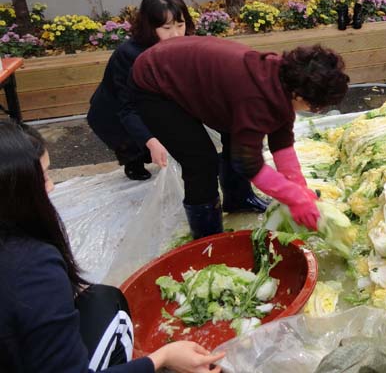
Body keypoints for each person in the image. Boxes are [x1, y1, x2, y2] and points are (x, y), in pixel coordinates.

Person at [0, 121, 225, 372]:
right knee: (112, 313)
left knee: (101, 299)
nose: (52, 187)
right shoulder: (32, 265)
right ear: (13, 191)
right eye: (43, 177)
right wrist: (161, 358)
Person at [130, 37, 349, 239]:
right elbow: (248, 163)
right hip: (155, 83)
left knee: (238, 135)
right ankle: (208, 238)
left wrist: (301, 190)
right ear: (299, 95)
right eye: (316, 107)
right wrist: (293, 198)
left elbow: (282, 142)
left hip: (188, 75)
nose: (314, 111)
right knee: (201, 161)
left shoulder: (284, 81)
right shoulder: (256, 98)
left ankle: (237, 200)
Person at [87, 0, 193, 182]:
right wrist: (151, 141)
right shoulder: (129, 54)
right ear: (150, 27)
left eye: (180, 25)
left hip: (150, 102)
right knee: (135, 146)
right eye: (167, 28)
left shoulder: (185, 43)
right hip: (114, 110)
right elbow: (126, 107)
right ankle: (133, 163)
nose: (176, 34)